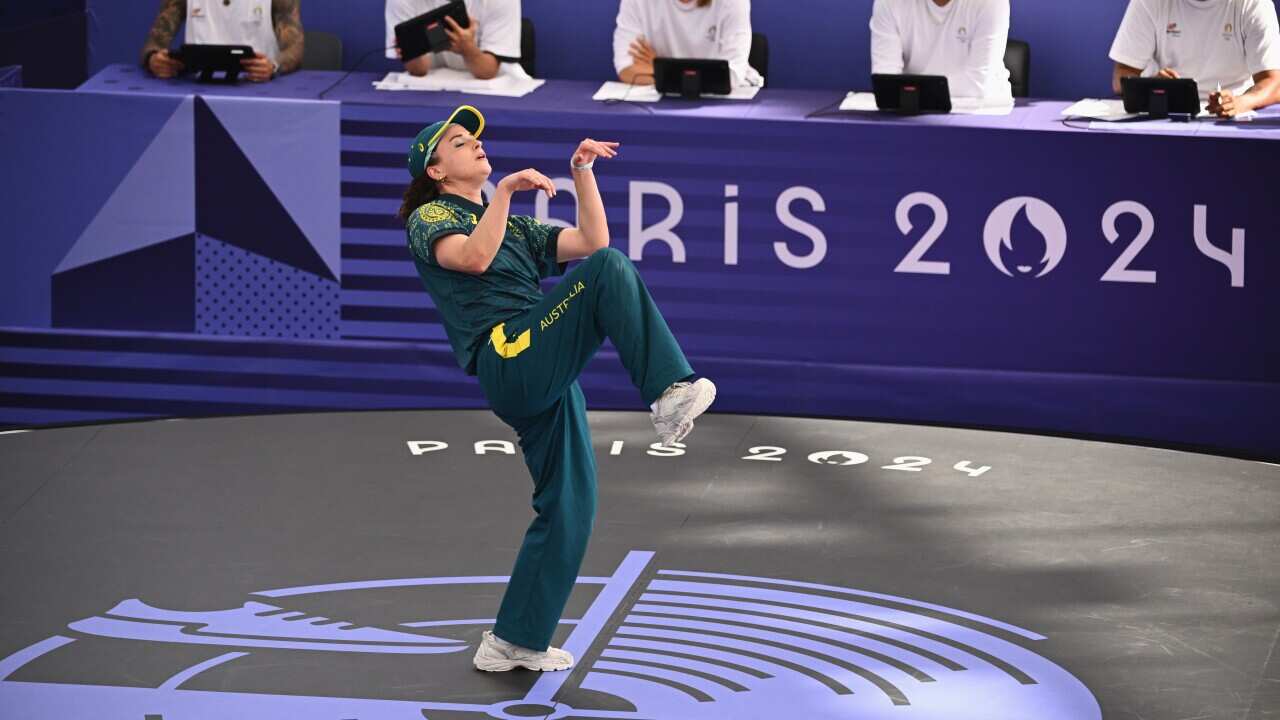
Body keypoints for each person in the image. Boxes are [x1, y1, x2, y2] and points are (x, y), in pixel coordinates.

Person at [399, 105, 717, 671]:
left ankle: (513, 640)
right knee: (610, 271)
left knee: (571, 506)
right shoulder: (429, 217)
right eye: (456, 141)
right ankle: (669, 389)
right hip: (508, 353)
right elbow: (473, 259)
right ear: (437, 171)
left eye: (474, 135)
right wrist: (506, 193)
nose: (474, 142)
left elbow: (592, 239)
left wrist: (581, 172)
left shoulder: (517, 227)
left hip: (541, 360)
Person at [1109, 0, 1280, 118]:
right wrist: (1152, 86)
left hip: (1231, 116)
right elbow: (1121, 77)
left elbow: (1273, 82)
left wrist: (1242, 102)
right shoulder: (1150, 2)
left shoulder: (1254, 4)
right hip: (1166, 113)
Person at [869, 0, 1013, 105]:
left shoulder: (991, 3)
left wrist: (912, 93)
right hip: (913, 113)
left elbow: (978, 85)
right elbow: (885, 81)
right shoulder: (887, 3)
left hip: (983, 113)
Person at [140, 0, 303, 82]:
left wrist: (274, 65)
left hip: (256, 84)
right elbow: (155, 41)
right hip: (196, 87)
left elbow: (295, 47)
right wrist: (153, 59)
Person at [614, 0, 763, 88]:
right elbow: (626, 68)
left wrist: (659, 69)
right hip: (660, 102)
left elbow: (731, 75)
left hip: (728, 103)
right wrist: (692, 78)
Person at [384, 0, 521, 79]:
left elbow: (487, 71)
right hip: (432, 86)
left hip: (495, 86)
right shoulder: (401, 1)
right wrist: (411, 51)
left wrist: (468, 50)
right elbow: (418, 70)